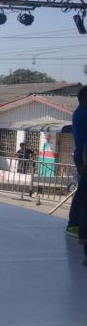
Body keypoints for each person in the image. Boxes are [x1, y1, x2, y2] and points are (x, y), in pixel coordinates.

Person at [67, 86, 87, 243]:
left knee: (83, 192)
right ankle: (75, 225)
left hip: (82, 156)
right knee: (83, 192)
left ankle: (76, 225)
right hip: (84, 157)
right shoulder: (82, 114)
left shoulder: (80, 113)